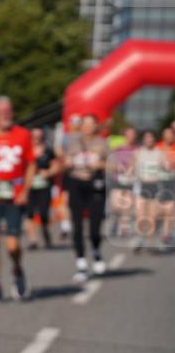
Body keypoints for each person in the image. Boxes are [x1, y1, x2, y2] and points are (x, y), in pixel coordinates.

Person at [0, 96, 35, 303]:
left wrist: (25, 190)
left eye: (8, 111)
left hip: (15, 196)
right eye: (1, 112)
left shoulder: (23, 135)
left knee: (12, 245)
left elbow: (31, 164)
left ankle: (17, 270)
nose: (5, 115)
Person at [62, 114, 110, 280]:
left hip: (95, 185)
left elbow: (114, 165)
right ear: (81, 126)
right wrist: (68, 162)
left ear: (96, 126)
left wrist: (100, 164)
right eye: (85, 124)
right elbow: (65, 161)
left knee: (95, 227)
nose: (88, 127)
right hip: (76, 184)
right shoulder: (73, 143)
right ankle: (81, 261)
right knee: (77, 224)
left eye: (91, 124)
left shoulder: (102, 143)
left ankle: (96, 251)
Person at [24, 127, 59, 250]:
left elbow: (56, 166)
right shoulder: (25, 151)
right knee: (29, 214)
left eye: (39, 136)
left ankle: (45, 232)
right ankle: (33, 240)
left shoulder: (48, 151)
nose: (36, 139)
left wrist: (48, 172)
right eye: (34, 137)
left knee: (44, 213)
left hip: (44, 186)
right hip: (29, 187)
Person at [133, 129, 167, 252]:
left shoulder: (160, 153)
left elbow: (166, 166)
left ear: (154, 139)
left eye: (151, 137)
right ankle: (140, 238)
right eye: (146, 137)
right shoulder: (138, 152)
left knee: (152, 216)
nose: (149, 140)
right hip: (141, 185)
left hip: (155, 185)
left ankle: (150, 241)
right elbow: (132, 167)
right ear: (143, 139)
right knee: (140, 215)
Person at [107, 127, 138, 241]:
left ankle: (124, 227)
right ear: (125, 136)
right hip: (117, 179)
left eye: (133, 134)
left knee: (127, 205)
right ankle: (115, 221)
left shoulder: (138, 149)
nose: (131, 137)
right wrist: (117, 167)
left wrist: (133, 167)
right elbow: (110, 162)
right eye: (128, 134)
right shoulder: (118, 149)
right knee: (116, 205)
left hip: (131, 180)